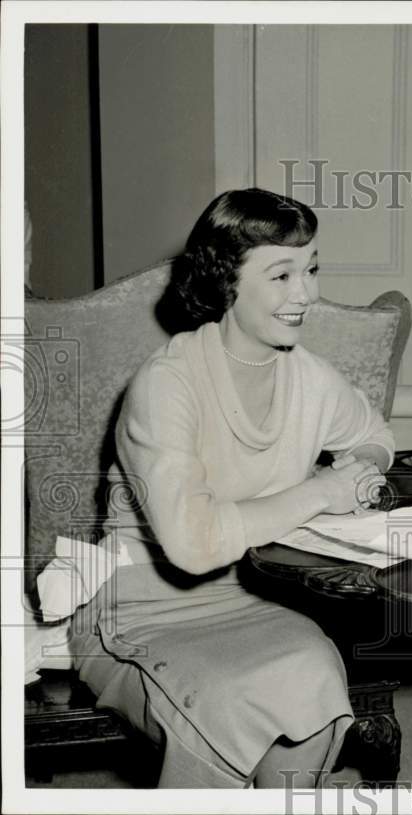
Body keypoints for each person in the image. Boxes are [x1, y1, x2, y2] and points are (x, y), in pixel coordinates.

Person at [69, 188, 394, 788]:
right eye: (282, 275)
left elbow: (374, 434)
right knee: (225, 702)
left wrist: (363, 471)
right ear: (227, 281)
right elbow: (192, 544)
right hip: (141, 613)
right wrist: (322, 491)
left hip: (255, 595)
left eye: (312, 269)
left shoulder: (308, 376)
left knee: (313, 675)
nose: (308, 293)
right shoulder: (167, 385)